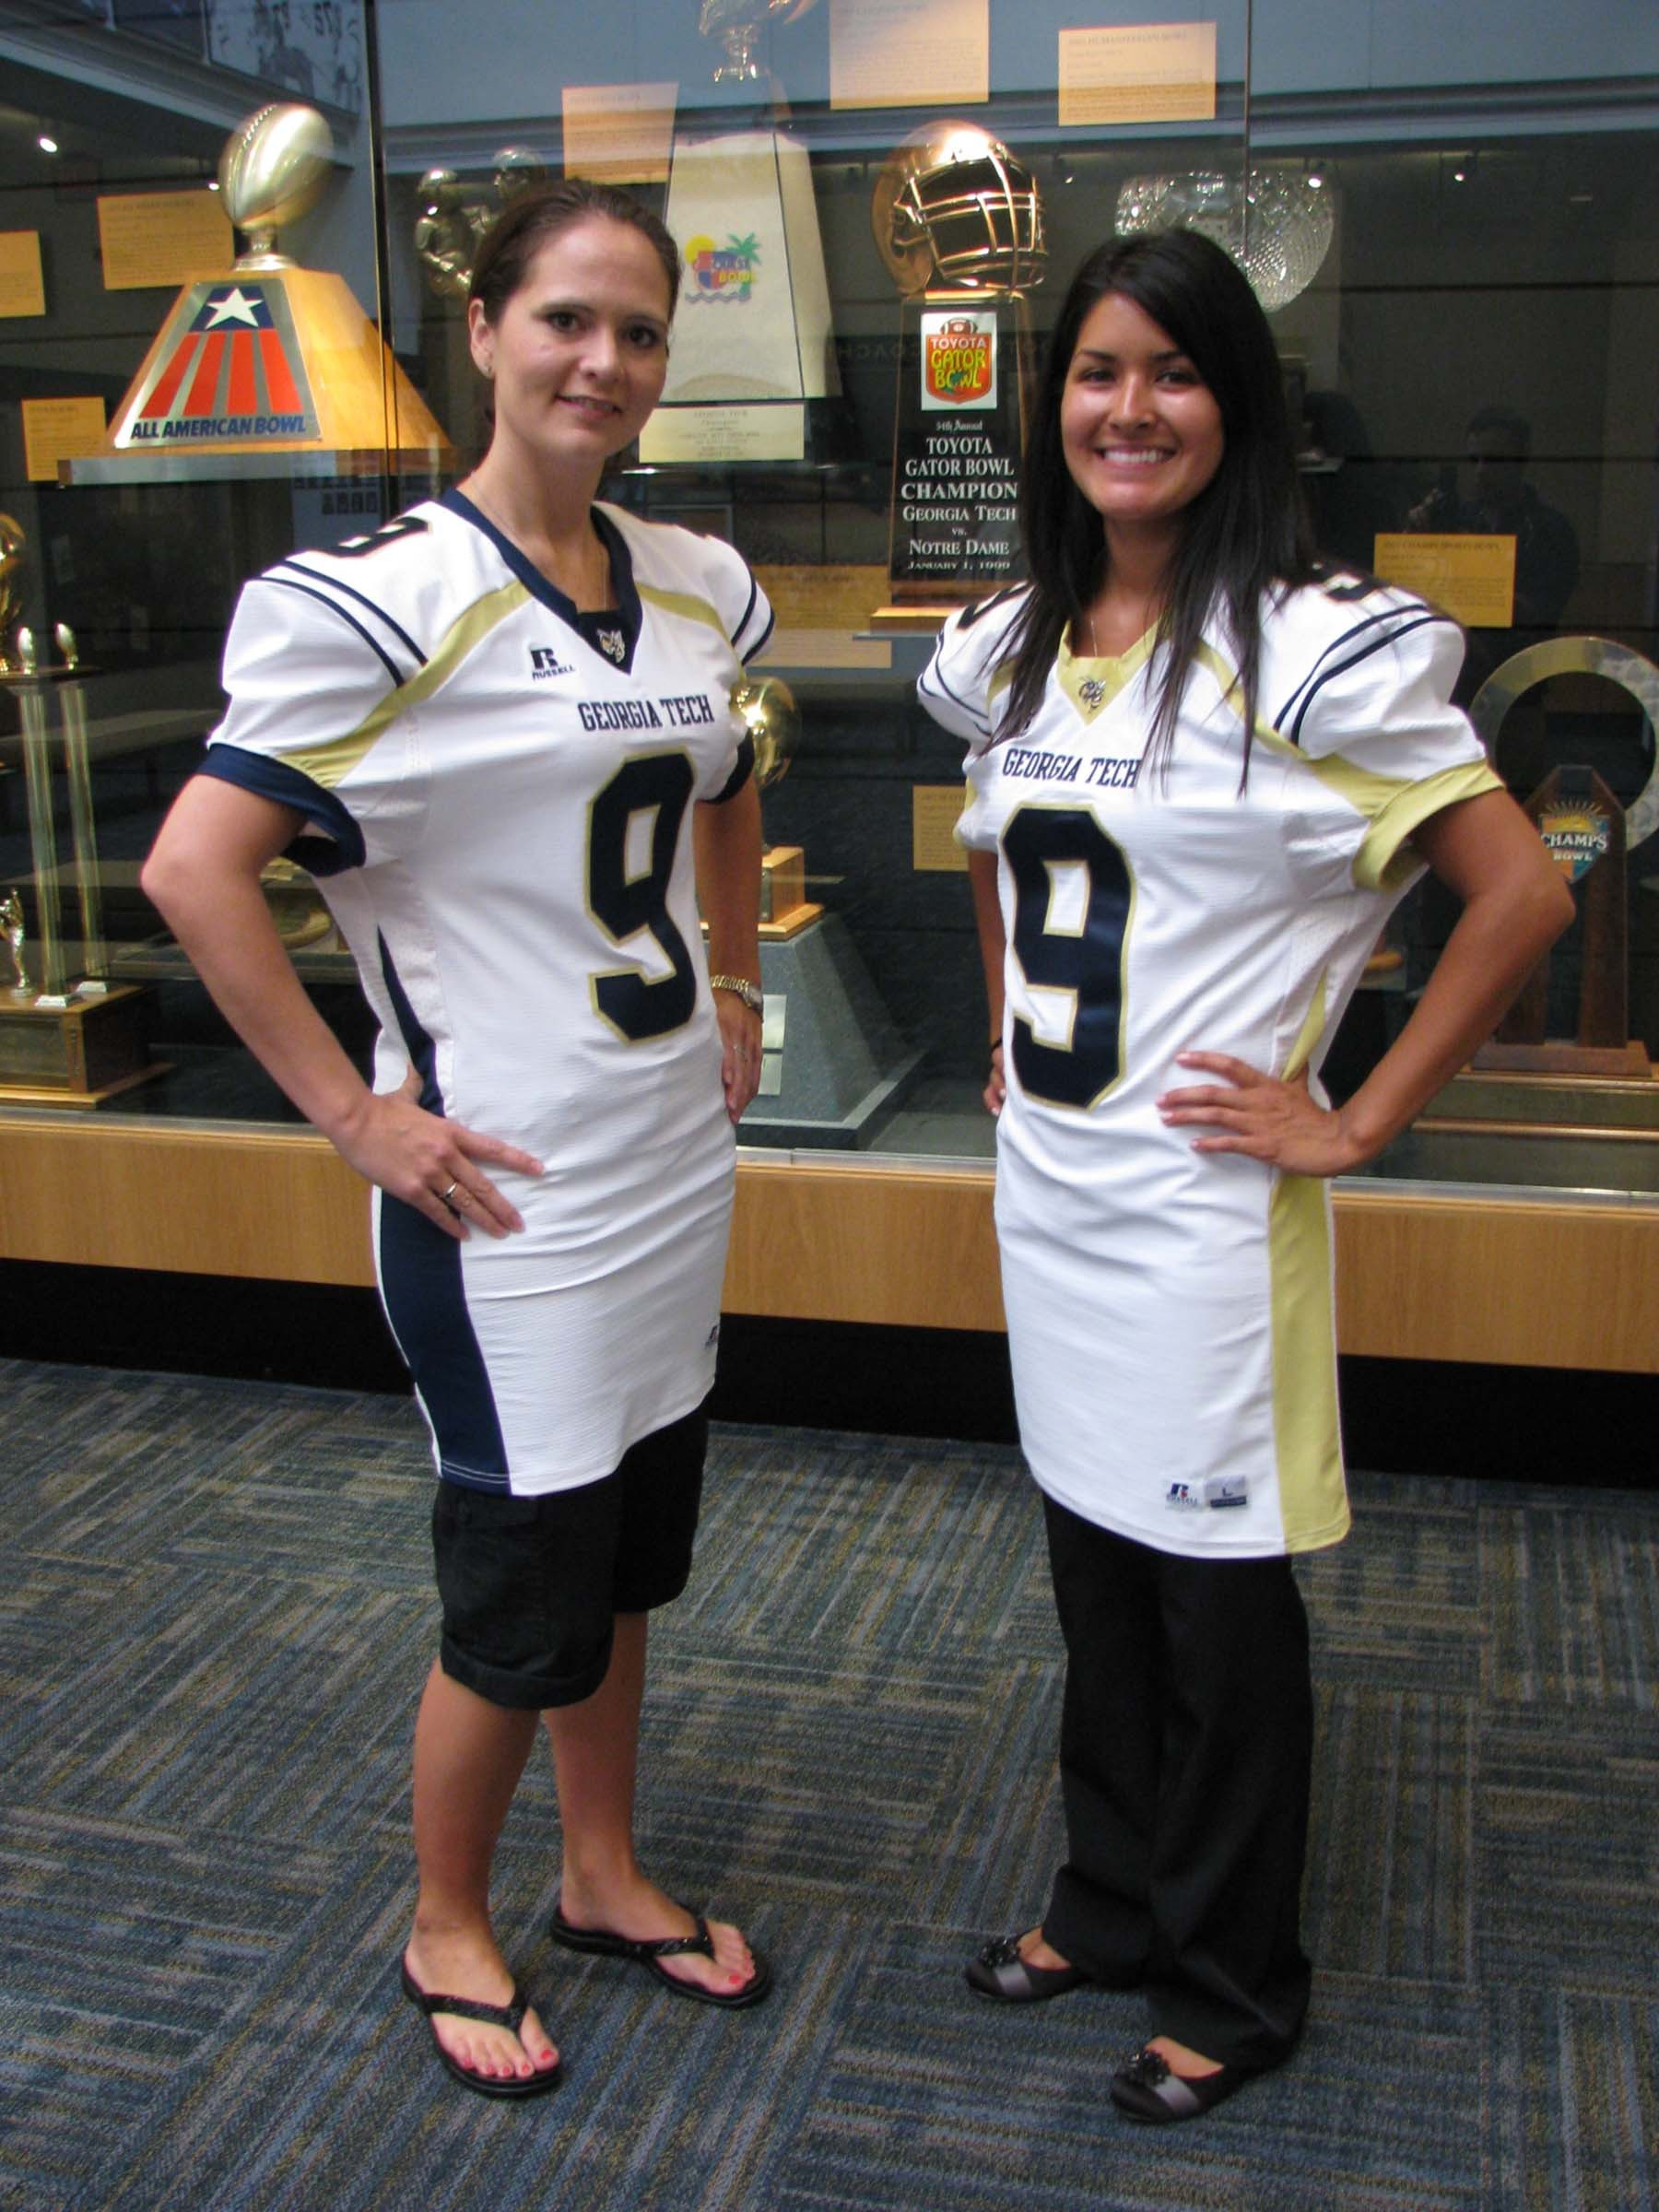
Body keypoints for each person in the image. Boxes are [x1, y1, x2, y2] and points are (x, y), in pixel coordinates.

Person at [917, 229, 1571, 2124]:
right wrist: (1006, 1027)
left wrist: (1355, 1122)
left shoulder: (1316, 647)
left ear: (1238, 404)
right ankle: (1107, 1903)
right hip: (1054, 1192)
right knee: (1094, 1576)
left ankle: (1230, 1979)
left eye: (1176, 373)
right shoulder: (1020, 638)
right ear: (1055, 404)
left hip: (1207, 1218)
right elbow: (992, 848)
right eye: (1099, 373)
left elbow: (1517, 892)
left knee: (1217, 1609)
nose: (1132, 410)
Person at [142, 179, 778, 2101]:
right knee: (515, 1592)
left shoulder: (692, 578)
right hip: (506, 1204)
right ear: (485, 331)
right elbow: (195, 867)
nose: (605, 361)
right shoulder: (373, 603)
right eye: (568, 319)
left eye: (641, 331)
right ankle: (445, 1918)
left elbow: (734, 777)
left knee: (627, 1566)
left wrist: (740, 987)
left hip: (669, 1165)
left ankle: (597, 1871)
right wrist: (352, 1114)